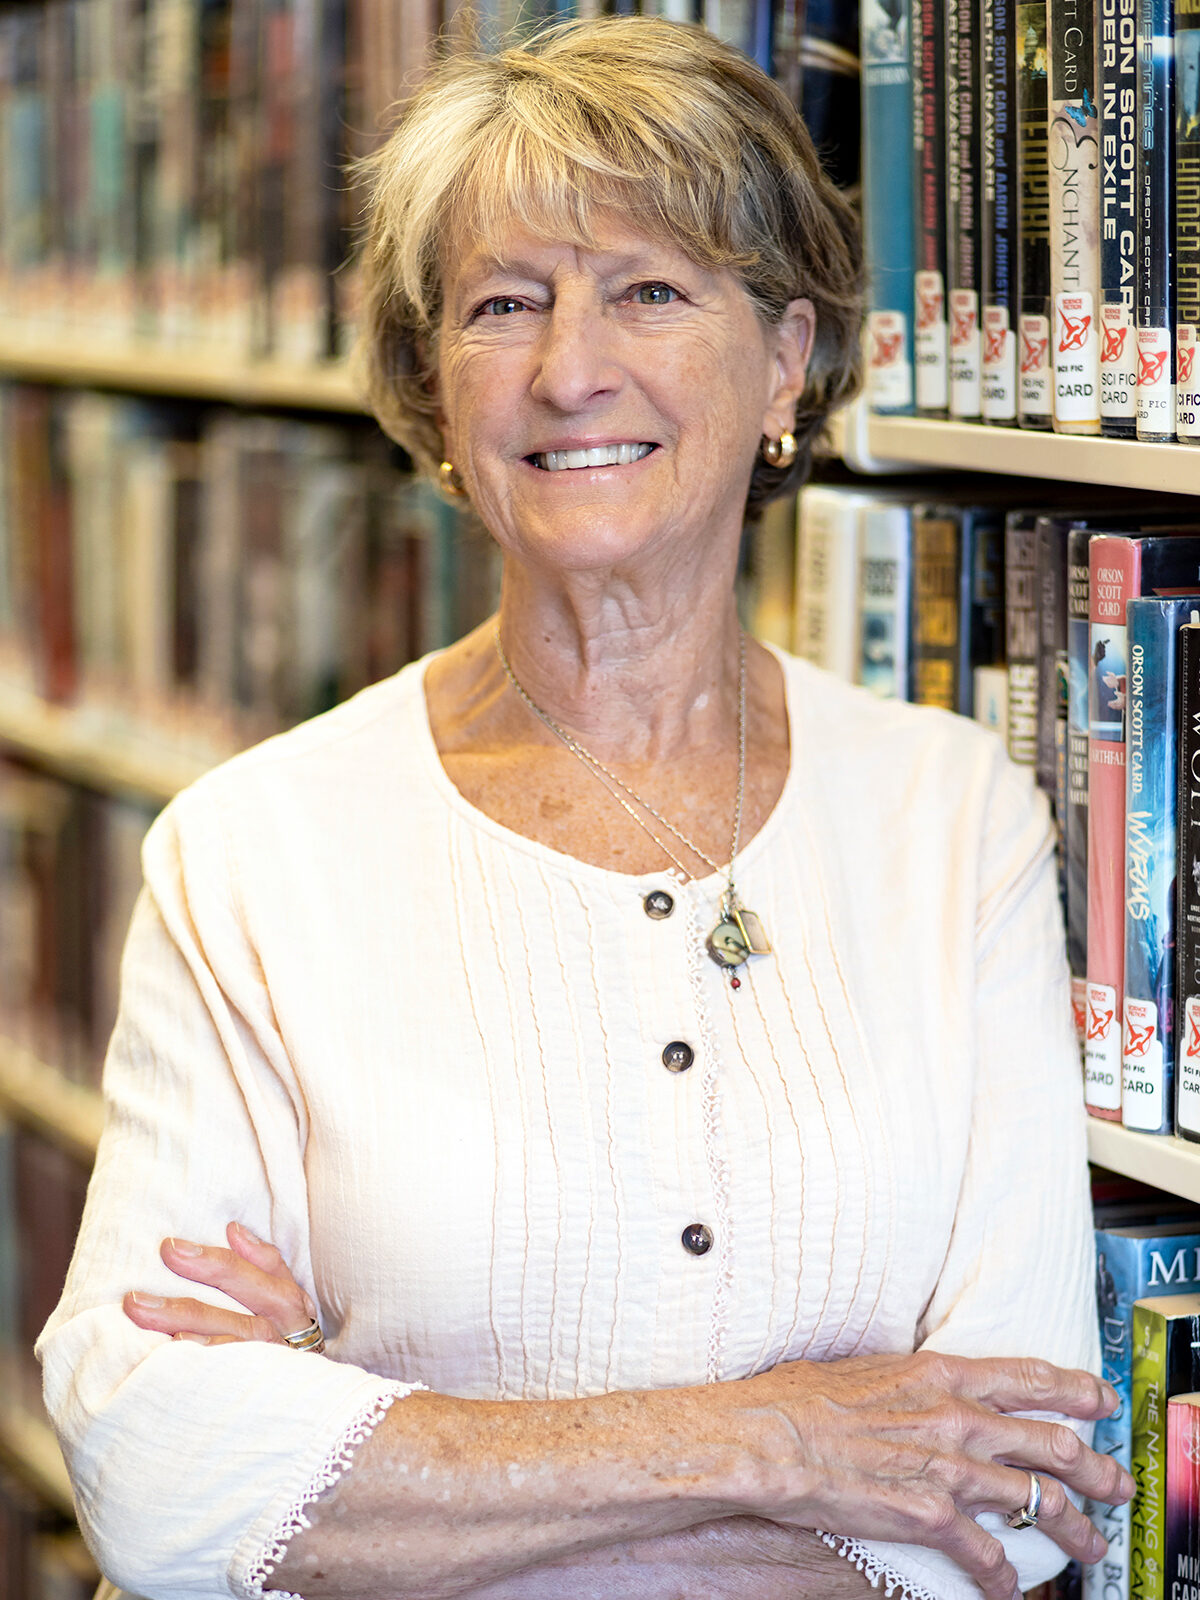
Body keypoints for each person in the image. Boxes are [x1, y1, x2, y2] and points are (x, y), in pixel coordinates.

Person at [38, 17, 1129, 1600]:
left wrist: (384, 1450)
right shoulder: (252, 849)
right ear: (432, 383)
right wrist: (788, 1445)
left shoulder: (953, 821)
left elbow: (1025, 1482)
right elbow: (155, 1475)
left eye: (651, 290)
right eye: (503, 305)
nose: (569, 369)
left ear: (786, 361)